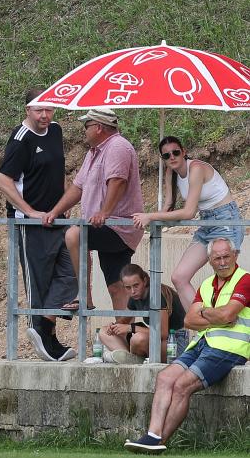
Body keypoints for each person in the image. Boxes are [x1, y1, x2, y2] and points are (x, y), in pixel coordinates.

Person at [125, 238, 250, 454]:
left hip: (229, 349)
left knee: (182, 385)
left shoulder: (245, 280)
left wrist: (206, 312)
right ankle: (152, 435)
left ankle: (159, 441)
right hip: (202, 343)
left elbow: (228, 314)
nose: (222, 262)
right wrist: (214, 315)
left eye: (226, 256)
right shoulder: (207, 284)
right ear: (209, 261)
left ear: (235, 255)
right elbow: (189, 321)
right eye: (217, 258)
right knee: (164, 377)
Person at [0, 88, 77, 362]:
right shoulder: (21, 140)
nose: (45, 115)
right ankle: (42, 332)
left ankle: (45, 328)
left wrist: (65, 205)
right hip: (31, 224)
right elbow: (4, 181)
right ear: (27, 110)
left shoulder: (55, 131)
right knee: (39, 279)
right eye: (39, 109)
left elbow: (57, 172)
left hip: (58, 217)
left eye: (49, 109)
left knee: (71, 272)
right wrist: (29, 211)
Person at [43, 109, 143, 311]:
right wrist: (55, 211)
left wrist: (104, 212)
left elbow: (118, 181)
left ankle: (83, 296)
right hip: (105, 225)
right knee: (117, 287)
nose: (84, 131)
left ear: (98, 127)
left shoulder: (117, 146)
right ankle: (124, 337)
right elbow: (78, 187)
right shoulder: (94, 152)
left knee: (74, 235)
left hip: (117, 226)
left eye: (86, 126)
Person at [132, 136, 243, 310]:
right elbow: (168, 205)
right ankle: (205, 323)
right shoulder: (171, 173)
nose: (172, 158)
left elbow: (189, 212)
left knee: (226, 276)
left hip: (226, 220)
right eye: (166, 156)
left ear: (184, 152)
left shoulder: (196, 168)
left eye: (176, 152)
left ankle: (227, 322)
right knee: (179, 277)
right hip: (206, 221)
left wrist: (150, 216)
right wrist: (149, 220)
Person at [99, 264, 186, 364]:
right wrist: (113, 326)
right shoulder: (134, 296)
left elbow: (163, 334)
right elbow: (123, 320)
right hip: (156, 339)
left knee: (138, 338)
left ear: (144, 281)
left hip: (174, 341)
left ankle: (129, 358)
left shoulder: (157, 295)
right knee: (103, 331)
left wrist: (130, 328)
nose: (132, 291)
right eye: (128, 288)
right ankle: (127, 357)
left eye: (136, 286)